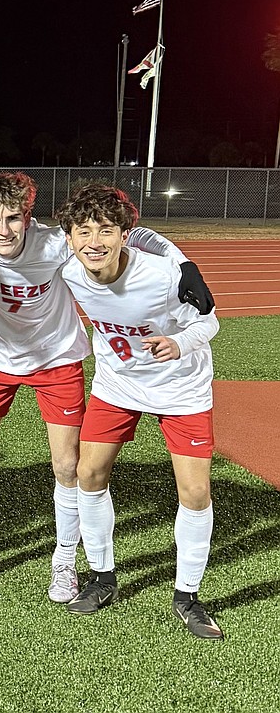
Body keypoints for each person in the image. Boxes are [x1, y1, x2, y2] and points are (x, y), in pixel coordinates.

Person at [0, 172, 213, 603]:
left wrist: (185, 264)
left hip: (57, 360)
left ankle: (65, 562)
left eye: (13, 218)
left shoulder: (60, 245)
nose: (3, 229)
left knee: (69, 465)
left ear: (28, 217)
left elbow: (132, 232)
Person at [56, 185, 223, 640]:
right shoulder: (68, 268)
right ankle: (102, 577)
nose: (94, 242)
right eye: (84, 231)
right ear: (69, 237)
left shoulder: (162, 275)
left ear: (124, 235)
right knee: (88, 475)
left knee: (194, 491)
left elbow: (209, 319)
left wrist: (180, 341)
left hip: (181, 388)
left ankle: (187, 595)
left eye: (107, 231)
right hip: (118, 384)